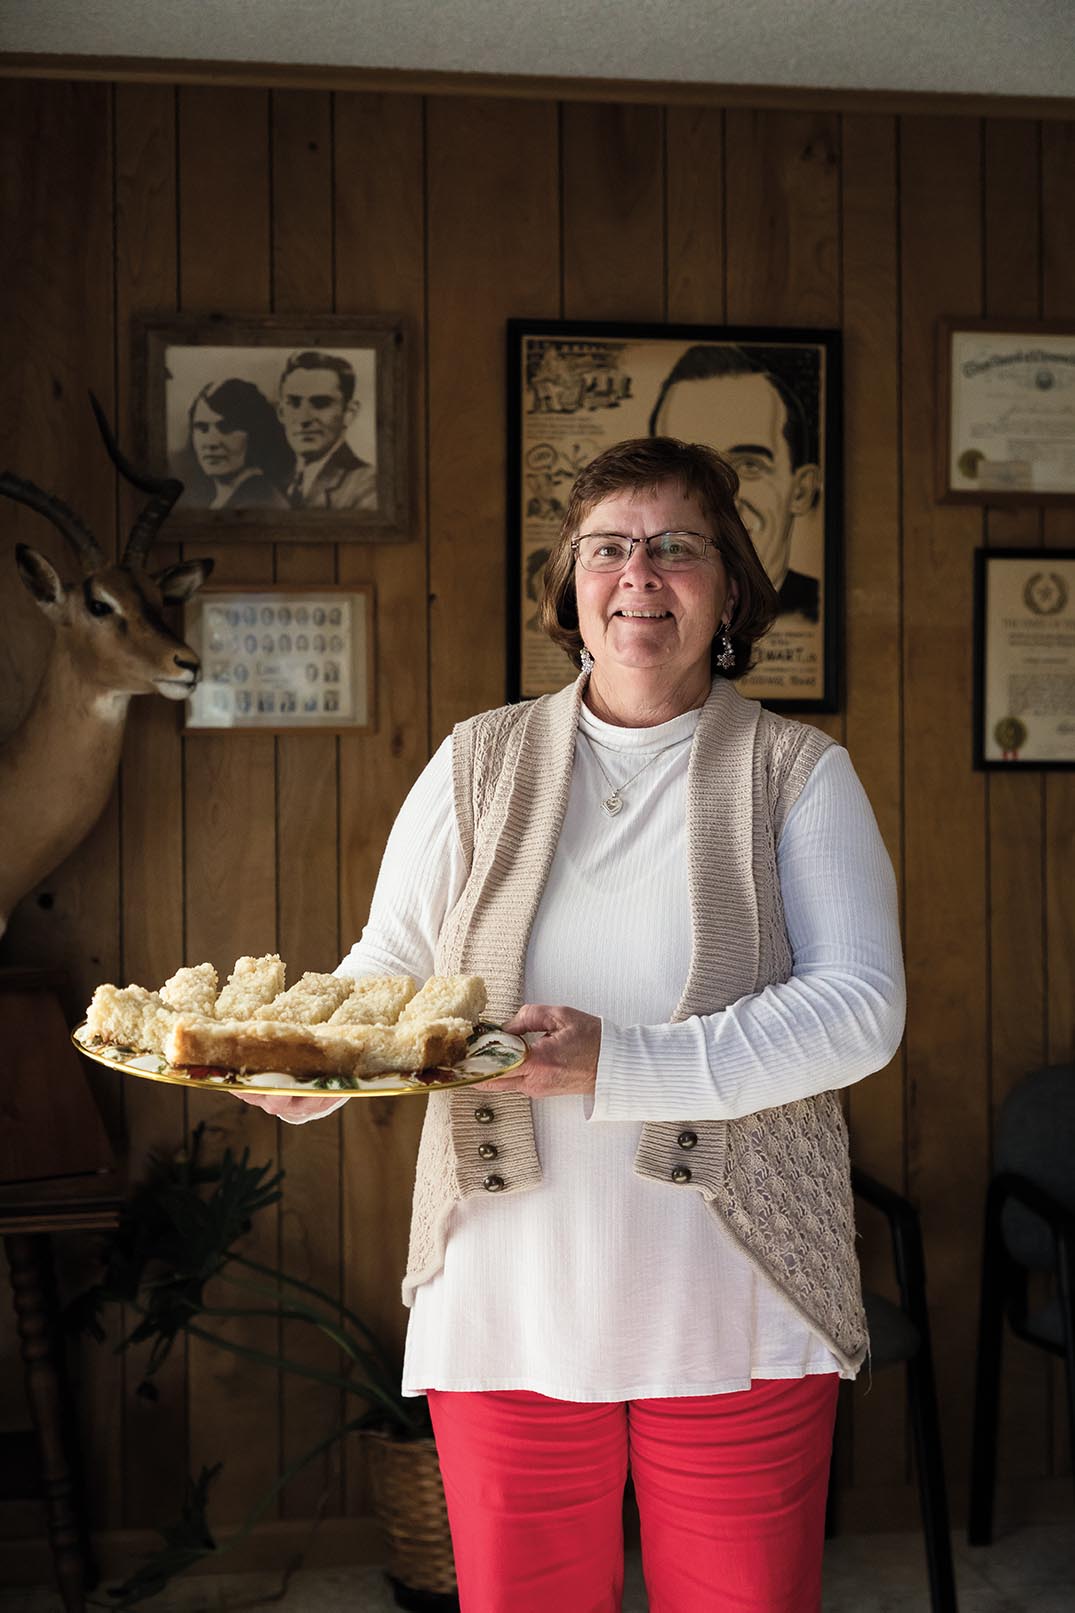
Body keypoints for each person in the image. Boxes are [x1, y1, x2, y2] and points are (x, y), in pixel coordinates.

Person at [236, 437, 904, 1612]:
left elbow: (860, 1008)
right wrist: (315, 1073)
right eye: (609, 546)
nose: (638, 572)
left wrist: (624, 1061)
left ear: (730, 586)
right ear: (569, 585)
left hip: (731, 1290)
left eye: (676, 546)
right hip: (509, 1288)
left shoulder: (799, 772)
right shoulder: (474, 761)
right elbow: (391, 966)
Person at [649, 345, 823, 621]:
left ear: (800, 490)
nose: (719, 498)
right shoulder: (638, 608)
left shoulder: (815, 606)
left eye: (749, 466)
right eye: (689, 470)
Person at [276, 350, 378, 510]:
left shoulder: (370, 486)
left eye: (321, 403)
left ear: (349, 413)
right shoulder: (277, 485)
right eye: (294, 403)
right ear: (281, 413)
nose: (304, 419)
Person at [182, 379, 292, 510]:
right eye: (202, 428)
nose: (211, 443)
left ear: (255, 434)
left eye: (227, 428)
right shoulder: (224, 499)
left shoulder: (261, 503)